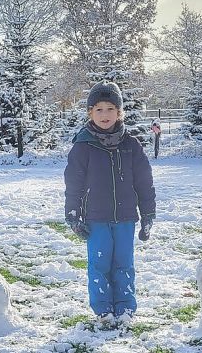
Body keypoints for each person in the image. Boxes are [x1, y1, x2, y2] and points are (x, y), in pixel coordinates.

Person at [64, 81, 156, 325]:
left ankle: (125, 308)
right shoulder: (83, 146)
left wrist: (148, 215)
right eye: (99, 109)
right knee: (99, 264)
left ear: (119, 112)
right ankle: (103, 309)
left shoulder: (131, 145)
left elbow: (144, 183)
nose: (105, 115)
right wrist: (73, 214)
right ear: (90, 113)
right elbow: (73, 183)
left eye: (110, 109)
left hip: (125, 218)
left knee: (124, 264)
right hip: (95, 218)